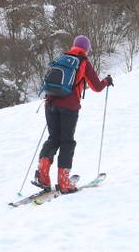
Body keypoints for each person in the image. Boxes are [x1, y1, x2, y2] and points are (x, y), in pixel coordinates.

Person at [35, 35, 113, 193]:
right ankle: (64, 183)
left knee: (53, 139)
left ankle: (42, 176)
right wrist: (106, 81)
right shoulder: (83, 61)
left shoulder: (62, 57)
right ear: (87, 49)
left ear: (73, 46)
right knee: (67, 142)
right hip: (69, 107)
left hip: (50, 103)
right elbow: (96, 87)